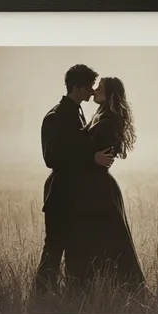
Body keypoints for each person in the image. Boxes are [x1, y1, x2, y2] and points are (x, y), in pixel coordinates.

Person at [33, 65, 114, 297]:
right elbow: (52, 158)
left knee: (76, 254)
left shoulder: (77, 111)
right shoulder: (56, 116)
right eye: (89, 87)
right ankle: (41, 300)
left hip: (75, 198)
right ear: (77, 87)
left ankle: (73, 300)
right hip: (60, 197)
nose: (92, 92)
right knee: (53, 252)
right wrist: (93, 158)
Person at [63, 76, 146, 297]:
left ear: (110, 94)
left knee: (109, 242)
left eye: (99, 88)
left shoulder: (109, 120)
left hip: (99, 189)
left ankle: (122, 293)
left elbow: (102, 153)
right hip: (95, 186)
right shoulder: (101, 116)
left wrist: (91, 158)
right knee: (100, 241)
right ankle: (95, 291)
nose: (95, 90)